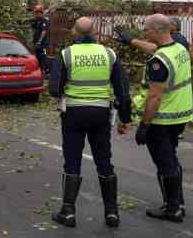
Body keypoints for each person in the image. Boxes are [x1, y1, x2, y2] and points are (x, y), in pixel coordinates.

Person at [49, 17, 132, 229]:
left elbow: (54, 89)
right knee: (104, 161)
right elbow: (122, 89)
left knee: (72, 161)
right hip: (101, 113)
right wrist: (125, 117)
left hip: (74, 113)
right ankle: (112, 213)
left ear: (75, 32)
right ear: (94, 31)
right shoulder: (109, 54)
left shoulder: (66, 54)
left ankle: (68, 212)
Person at [133, 14, 193, 223]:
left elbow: (154, 96)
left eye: (147, 29)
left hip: (162, 119)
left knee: (165, 162)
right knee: (172, 158)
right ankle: (177, 201)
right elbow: (153, 48)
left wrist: (144, 125)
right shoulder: (179, 48)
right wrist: (130, 41)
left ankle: (173, 208)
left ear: (158, 30)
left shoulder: (158, 62)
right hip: (181, 114)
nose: (144, 32)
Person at [32, 5, 50, 73]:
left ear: (41, 13)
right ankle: (40, 70)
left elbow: (44, 31)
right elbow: (34, 29)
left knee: (43, 56)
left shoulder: (44, 21)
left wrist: (39, 41)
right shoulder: (36, 21)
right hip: (36, 42)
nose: (36, 14)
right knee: (37, 56)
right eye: (35, 13)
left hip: (43, 43)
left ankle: (46, 70)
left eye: (37, 13)